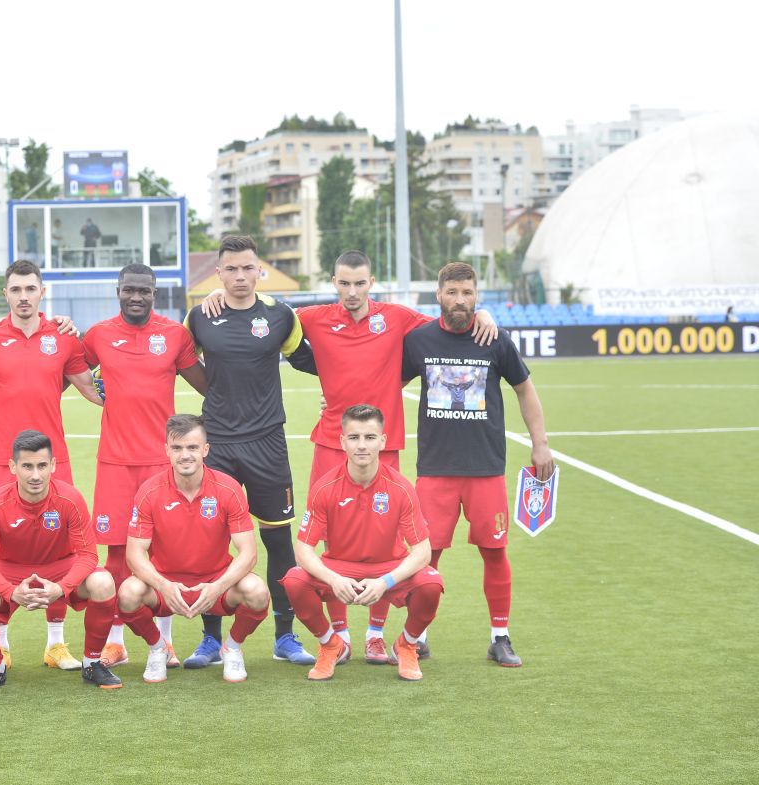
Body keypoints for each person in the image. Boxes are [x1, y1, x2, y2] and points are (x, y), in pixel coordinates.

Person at [202, 249, 494, 665]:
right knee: (332, 539)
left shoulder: (396, 317)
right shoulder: (314, 318)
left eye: (360, 283)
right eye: (344, 283)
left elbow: (450, 324)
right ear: (334, 282)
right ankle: (339, 636)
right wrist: (219, 292)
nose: (352, 291)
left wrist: (482, 315)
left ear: (371, 283)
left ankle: (375, 635)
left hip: (383, 446)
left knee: (385, 542)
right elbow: (260, 310)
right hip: (331, 444)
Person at [402, 262, 555, 666]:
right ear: (438, 295)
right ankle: (417, 636)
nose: (460, 300)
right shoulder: (418, 341)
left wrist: (540, 443)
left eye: (467, 293)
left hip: (485, 468)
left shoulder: (495, 340)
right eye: (452, 292)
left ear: (477, 295)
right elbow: (384, 385)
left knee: (494, 551)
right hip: (435, 470)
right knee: (427, 555)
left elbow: (525, 390)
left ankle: (500, 636)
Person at [182, 234, 318, 667]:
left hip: (267, 443)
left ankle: (284, 636)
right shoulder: (200, 316)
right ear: (218, 273)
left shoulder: (280, 316)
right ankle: (210, 639)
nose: (241, 277)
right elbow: (181, 361)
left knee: (278, 539)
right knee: (209, 539)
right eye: (231, 269)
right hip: (217, 443)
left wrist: (345, 388)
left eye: (248, 268)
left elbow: (313, 358)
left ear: (259, 270)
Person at [0, 259, 103, 670]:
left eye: (30, 289)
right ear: (5, 294)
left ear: (42, 293)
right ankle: (1, 642)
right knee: (2, 548)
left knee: (60, 545)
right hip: (1, 463)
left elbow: (92, 392)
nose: (23, 297)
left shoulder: (63, 337)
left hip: (51, 462)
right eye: (16, 290)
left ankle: (56, 644)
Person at [83, 263, 206, 668]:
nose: (137, 297)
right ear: (117, 290)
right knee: (117, 554)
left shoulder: (175, 336)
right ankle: (116, 639)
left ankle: (165, 640)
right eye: (129, 290)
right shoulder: (98, 335)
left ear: (156, 293)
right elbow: (65, 372)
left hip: (160, 462)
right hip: (115, 463)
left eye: (145, 292)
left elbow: (210, 387)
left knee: (162, 554)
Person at [282, 404, 444, 682]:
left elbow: (423, 551)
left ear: (382, 441)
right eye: (354, 438)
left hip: (388, 567)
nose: (362, 446)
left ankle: (407, 644)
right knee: (295, 580)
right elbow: (303, 549)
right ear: (342, 441)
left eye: (370, 438)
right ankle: (330, 645)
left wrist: (386, 582)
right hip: (339, 566)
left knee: (431, 583)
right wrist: (333, 579)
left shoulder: (401, 488)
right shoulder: (324, 487)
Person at [0, 430, 122, 692]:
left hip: (61, 568)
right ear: (13, 467)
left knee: (103, 582)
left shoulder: (70, 498)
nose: (35, 475)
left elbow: (89, 555)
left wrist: (62, 587)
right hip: (11, 571)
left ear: (53, 465)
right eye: (27, 466)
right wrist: (11, 592)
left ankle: (92, 664)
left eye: (42, 466)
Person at [116, 415, 270, 684]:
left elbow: (248, 553)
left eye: (192, 448)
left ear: (205, 450)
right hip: (166, 586)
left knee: (257, 592)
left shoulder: (228, 489)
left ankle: (231, 648)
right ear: (166, 450)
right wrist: (164, 586)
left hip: (214, 584)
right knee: (128, 593)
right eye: (177, 448)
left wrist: (218, 587)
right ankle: (158, 648)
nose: (184, 455)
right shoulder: (149, 491)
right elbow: (134, 554)